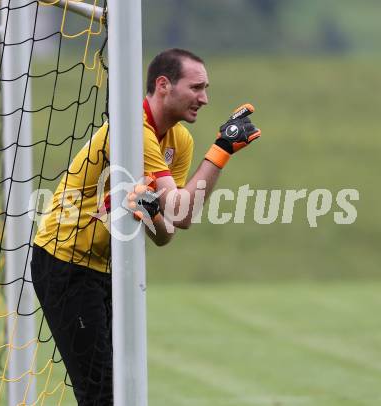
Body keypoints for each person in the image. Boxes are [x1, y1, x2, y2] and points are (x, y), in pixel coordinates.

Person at [31, 48, 261, 405]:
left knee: (120, 387)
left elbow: (169, 230)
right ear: (163, 84)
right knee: (102, 391)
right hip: (65, 262)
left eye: (206, 88)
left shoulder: (179, 140)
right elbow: (183, 210)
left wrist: (153, 214)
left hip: (106, 268)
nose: (205, 98)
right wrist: (221, 151)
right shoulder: (134, 129)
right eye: (197, 87)